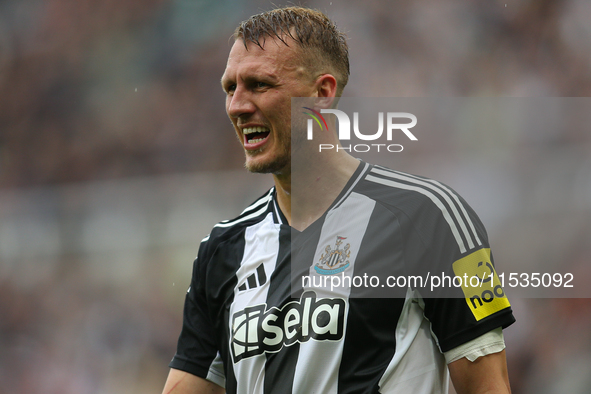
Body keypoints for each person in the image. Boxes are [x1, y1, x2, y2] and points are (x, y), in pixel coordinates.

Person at [162, 6, 515, 394]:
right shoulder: (221, 251)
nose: (237, 106)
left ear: (322, 93)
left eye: (259, 85)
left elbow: (488, 387)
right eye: (230, 88)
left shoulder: (430, 216)